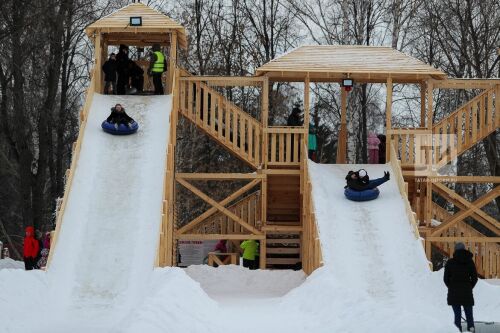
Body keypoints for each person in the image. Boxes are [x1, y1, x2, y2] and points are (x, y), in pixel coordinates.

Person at [444, 242, 478, 332]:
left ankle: (457, 330)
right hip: (467, 292)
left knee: (457, 316)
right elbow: (475, 277)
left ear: (455, 250)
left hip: (454, 293)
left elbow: (445, 279)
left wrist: (451, 287)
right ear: (464, 249)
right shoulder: (470, 262)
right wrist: (469, 286)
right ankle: (471, 329)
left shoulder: (450, 262)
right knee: (469, 315)